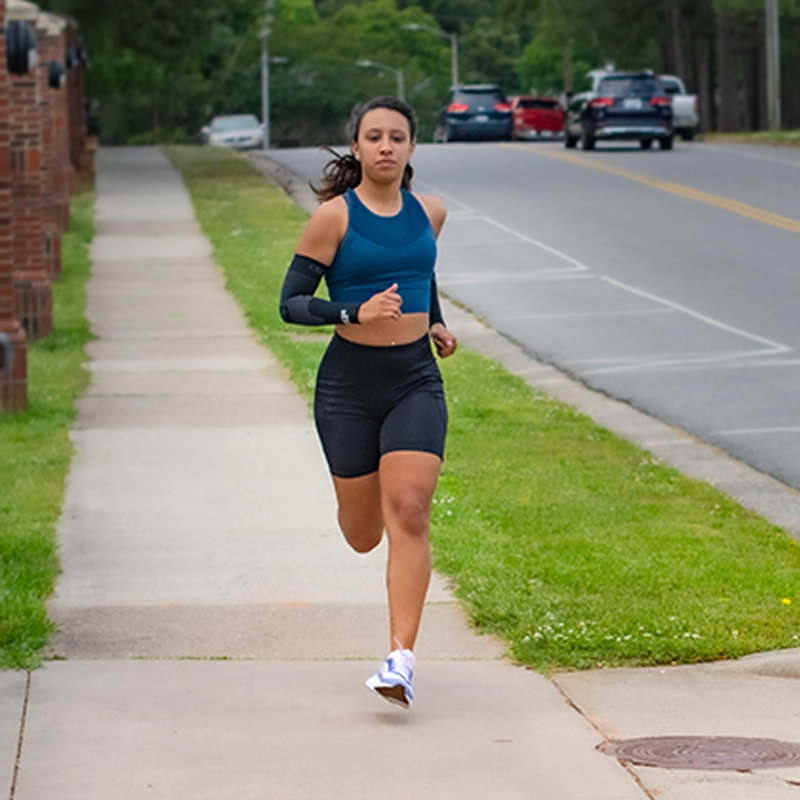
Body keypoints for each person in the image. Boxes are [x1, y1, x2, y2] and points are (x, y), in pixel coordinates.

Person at [279, 96, 457, 708]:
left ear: (411, 149)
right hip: (348, 386)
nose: (386, 146)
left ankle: (400, 661)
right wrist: (352, 310)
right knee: (362, 533)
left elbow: (421, 270)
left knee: (408, 509)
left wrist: (432, 321)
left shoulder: (429, 212)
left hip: (414, 379)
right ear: (356, 147)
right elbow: (291, 302)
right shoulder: (334, 218)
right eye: (374, 136)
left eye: (397, 137)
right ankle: (369, 494)